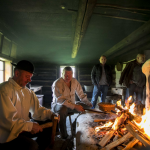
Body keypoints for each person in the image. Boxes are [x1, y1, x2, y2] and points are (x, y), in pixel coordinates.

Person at [0, 60, 59, 150]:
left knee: (50, 126)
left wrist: (50, 114)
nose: (30, 80)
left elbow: (37, 110)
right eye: (27, 76)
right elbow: (8, 122)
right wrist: (30, 126)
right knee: (32, 146)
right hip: (9, 135)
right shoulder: (4, 90)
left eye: (30, 77)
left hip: (23, 129)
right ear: (17, 73)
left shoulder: (28, 92)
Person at [51, 66, 92, 139]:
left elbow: (81, 94)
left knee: (88, 108)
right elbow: (60, 100)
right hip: (58, 105)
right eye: (66, 75)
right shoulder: (57, 83)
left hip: (72, 104)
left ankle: (74, 126)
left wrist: (87, 102)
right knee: (63, 110)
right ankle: (64, 135)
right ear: (62, 74)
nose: (68, 77)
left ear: (72, 74)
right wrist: (75, 106)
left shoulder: (74, 81)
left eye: (70, 74)